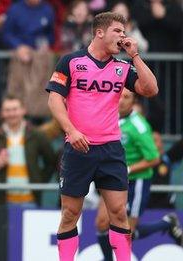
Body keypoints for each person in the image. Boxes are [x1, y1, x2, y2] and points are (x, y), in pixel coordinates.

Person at [46, 12, 159, 261]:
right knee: (70, 213)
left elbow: (150, 89)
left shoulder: (122, 67)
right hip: (79, 149)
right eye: (118, 31)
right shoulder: (71, 61)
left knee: (119, 213)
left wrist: (135, 55)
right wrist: (71, 130)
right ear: (100, 32)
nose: (123, 37)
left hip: (111, 149)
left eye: (124, 32)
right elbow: (54, 99)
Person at [95, 89, 183, 261]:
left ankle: (166, 223)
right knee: (101, 223)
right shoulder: (107, 116)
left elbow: (154, 158)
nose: (120, 100)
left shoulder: (139, 126)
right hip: (114, 180)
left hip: (137, 182)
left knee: (127, 233)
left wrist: (128, 169)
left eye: (126, 97)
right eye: (118, 95)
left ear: (134, 102)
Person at [0, 94, 56, 208]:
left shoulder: (37, 135)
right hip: (1, 202)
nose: (11, 114)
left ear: (23, 110)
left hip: (30, 201)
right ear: (2, 113)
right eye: (7, 110)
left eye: (15, 109)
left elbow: (51, 162)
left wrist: (38, 181)